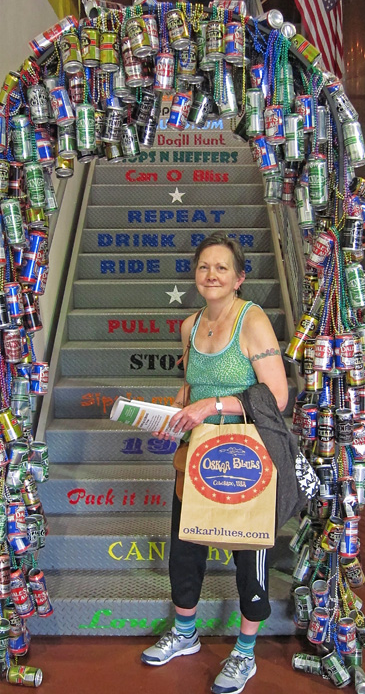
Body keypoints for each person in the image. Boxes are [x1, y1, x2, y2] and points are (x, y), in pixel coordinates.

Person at [141, 232, 289, 694]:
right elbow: (191, 386)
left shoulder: (253, 319)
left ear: (240, 277)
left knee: (250, 556)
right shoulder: (189, 325)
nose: (212, 274)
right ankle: (185, 633)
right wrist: (174, 411)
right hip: (198, 455)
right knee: (185, 545)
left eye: (222, 267)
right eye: (204, 266)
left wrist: (213, 406)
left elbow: (278, 398)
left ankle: (245, 652)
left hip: (246, 459)